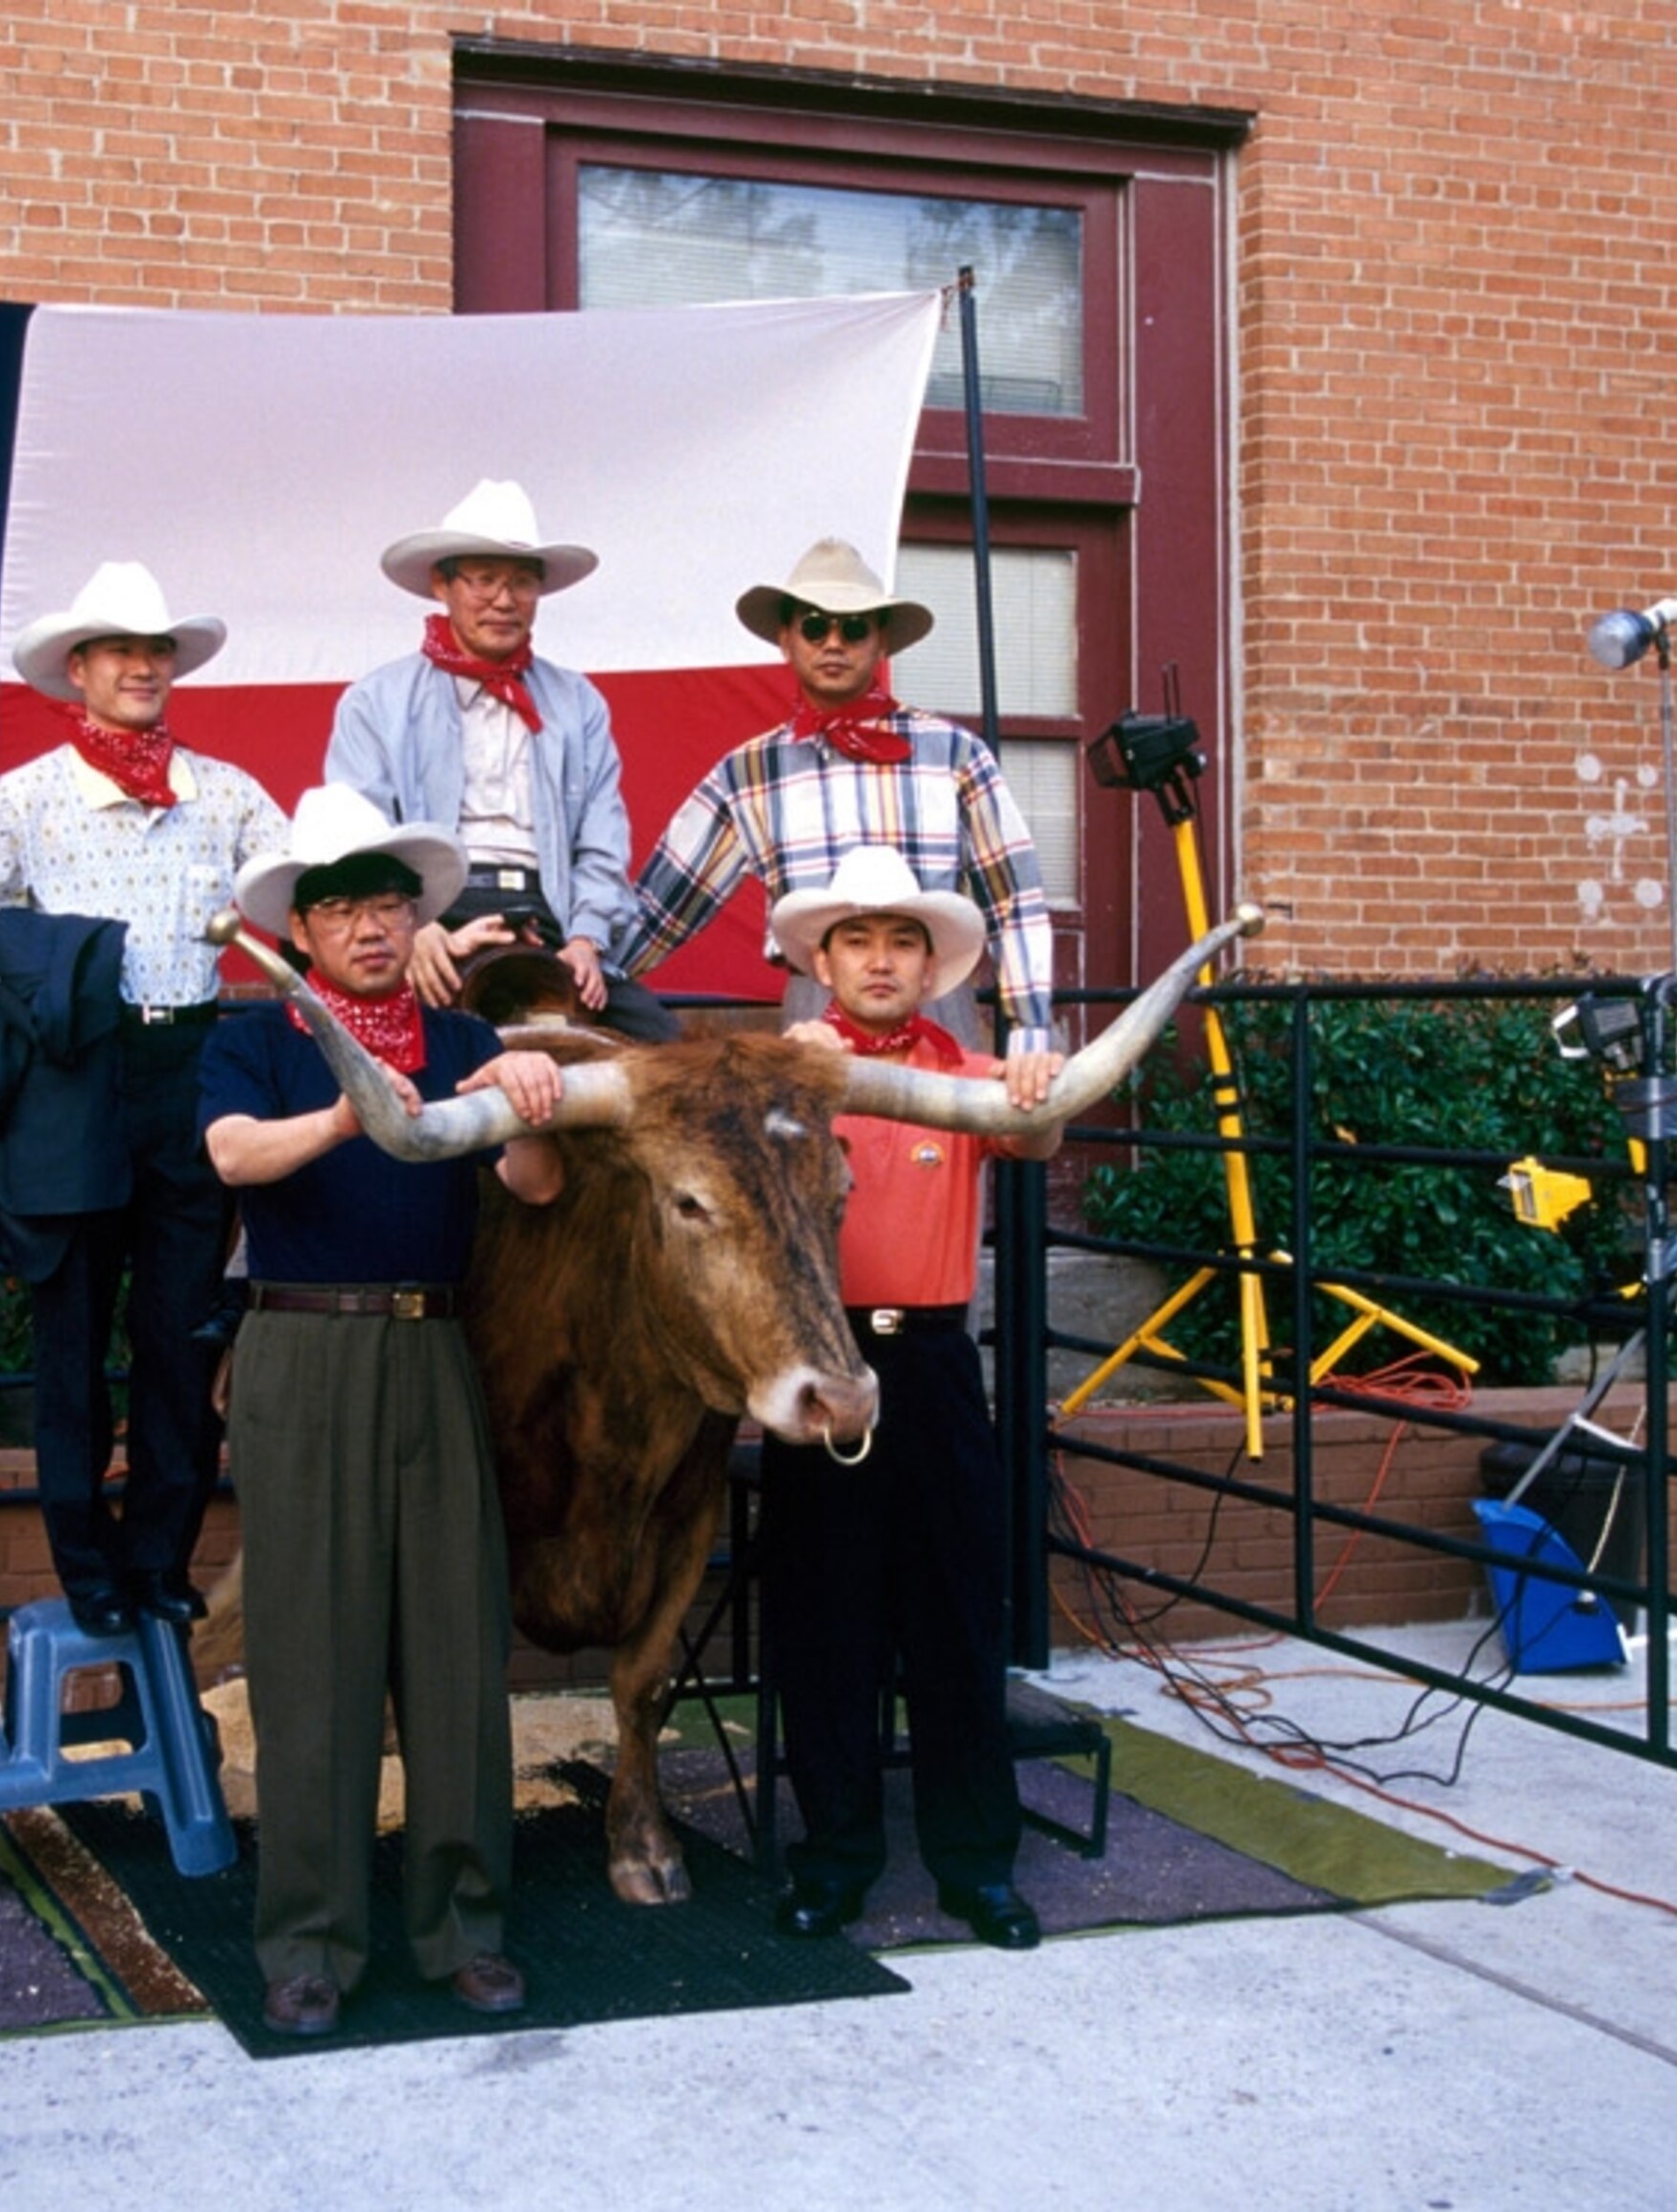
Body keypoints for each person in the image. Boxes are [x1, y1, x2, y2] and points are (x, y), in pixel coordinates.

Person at [197, 784, 568, 2038]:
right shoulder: (255, 1039)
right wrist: (346, 1111)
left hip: (436, 1347)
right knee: (312, 1658)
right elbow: (232, 1155)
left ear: (416, 918)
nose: (368, 925)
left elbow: (533, 1181)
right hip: (301, 1351)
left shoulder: (460, 1040)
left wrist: (527, 1086)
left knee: (457, 1648)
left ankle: (464, 1926)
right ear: (301, 928)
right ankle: (310, 1940)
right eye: (342, 906)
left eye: (388, 903)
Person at [0, 559, 290, 1637]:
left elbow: (296, 892)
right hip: (74, 1075)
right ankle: (86, 1567)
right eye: (121, 650)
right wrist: (56, 963)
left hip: (191, 1065)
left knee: (182, 1334)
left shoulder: (227, 792)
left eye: (157, 650)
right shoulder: (28, 796)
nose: (143, 666)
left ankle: (160, 1561)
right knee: (73, 1332)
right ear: (78, 669)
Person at [757, 845, 1063, 1952]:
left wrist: (1036, 1079)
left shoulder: (970, 1074)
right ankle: (833, 1863)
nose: (880, 960)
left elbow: (1038, 1133)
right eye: (858, 940)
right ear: (823, 961)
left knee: (956, 1626)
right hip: (820, 1363)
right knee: (824, 1628)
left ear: (934, 969)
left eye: (901, 941)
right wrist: (782, 1084)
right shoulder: (781, 1073)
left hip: (932, 1369)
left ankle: (977, 1868)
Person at [614, 535, 1054, 1070]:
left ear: (882, 641)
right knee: (816, 1126)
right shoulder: (748, 773)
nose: (833, 644)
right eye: (815, 626)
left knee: (953, 1122)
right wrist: (583, 982)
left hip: (933, 1000)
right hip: (815, 1009)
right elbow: (661, 908)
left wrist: (1032, 1029)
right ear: (786, 639)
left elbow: (1013, 902)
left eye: (854, 628)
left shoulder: (954, 754)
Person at [326, 478, 677, 1042]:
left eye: (521, 582)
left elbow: (602, 841)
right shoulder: (376, 701)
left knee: (662, 1046)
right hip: (432, 913)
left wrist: (586, 938)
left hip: (550, 917)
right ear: (442, 584)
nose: (504, 600)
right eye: (484, 579)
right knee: (383, 1052)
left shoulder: (577, 702)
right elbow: (358, 835)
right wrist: (413, 928)